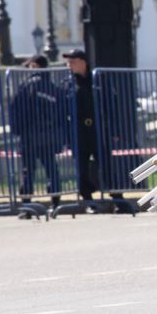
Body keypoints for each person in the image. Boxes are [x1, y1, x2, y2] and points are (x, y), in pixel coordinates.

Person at [9, 55, 71, 208]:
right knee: (52, 170)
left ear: (35, 66)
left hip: (29, 137)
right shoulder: (54, 88)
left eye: (30, 66)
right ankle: (55, 203)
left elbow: (16, 110)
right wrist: (62, 136)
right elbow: (62, 114)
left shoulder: (26, 86)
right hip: (49, 137)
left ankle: (26, 205)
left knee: (28, 172)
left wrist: (17, 130)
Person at [63, 49, 98, 203]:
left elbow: (111, 104)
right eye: (68, 62)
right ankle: (88, 199)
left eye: (73, 61)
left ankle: (117, 198)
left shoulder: (98, 80)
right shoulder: (67, 84)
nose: (69, 64)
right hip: (78, 130)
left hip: (98, 128)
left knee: (106, 164)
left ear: (83, 63)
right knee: (81, 168)